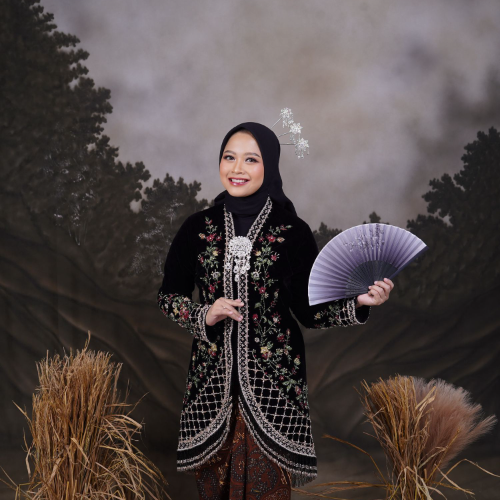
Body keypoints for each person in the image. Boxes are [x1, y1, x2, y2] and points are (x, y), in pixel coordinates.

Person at [157, 122, 394, 499]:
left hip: (274, 387)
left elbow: (309, 310)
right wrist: (204, 314)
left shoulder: (292, 231)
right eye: (229, 157)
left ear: (269, 166)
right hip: (211, 386)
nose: (237, 168)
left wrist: (358, 304)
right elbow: (168, 296)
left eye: (251, 159)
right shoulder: (196, 229)